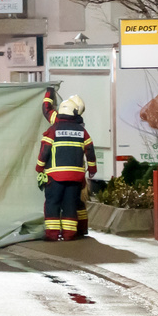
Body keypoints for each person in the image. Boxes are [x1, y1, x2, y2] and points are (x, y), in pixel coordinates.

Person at [37, 91, 96, 240]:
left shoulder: (53, 128)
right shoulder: (82, 131)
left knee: (53, 203)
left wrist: (49, 93)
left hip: (55, 176)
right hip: (76, 177)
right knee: (71, 204)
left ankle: (52, 234)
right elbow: (90, 150)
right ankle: (70, 234)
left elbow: (44, 150)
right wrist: (92, 169)